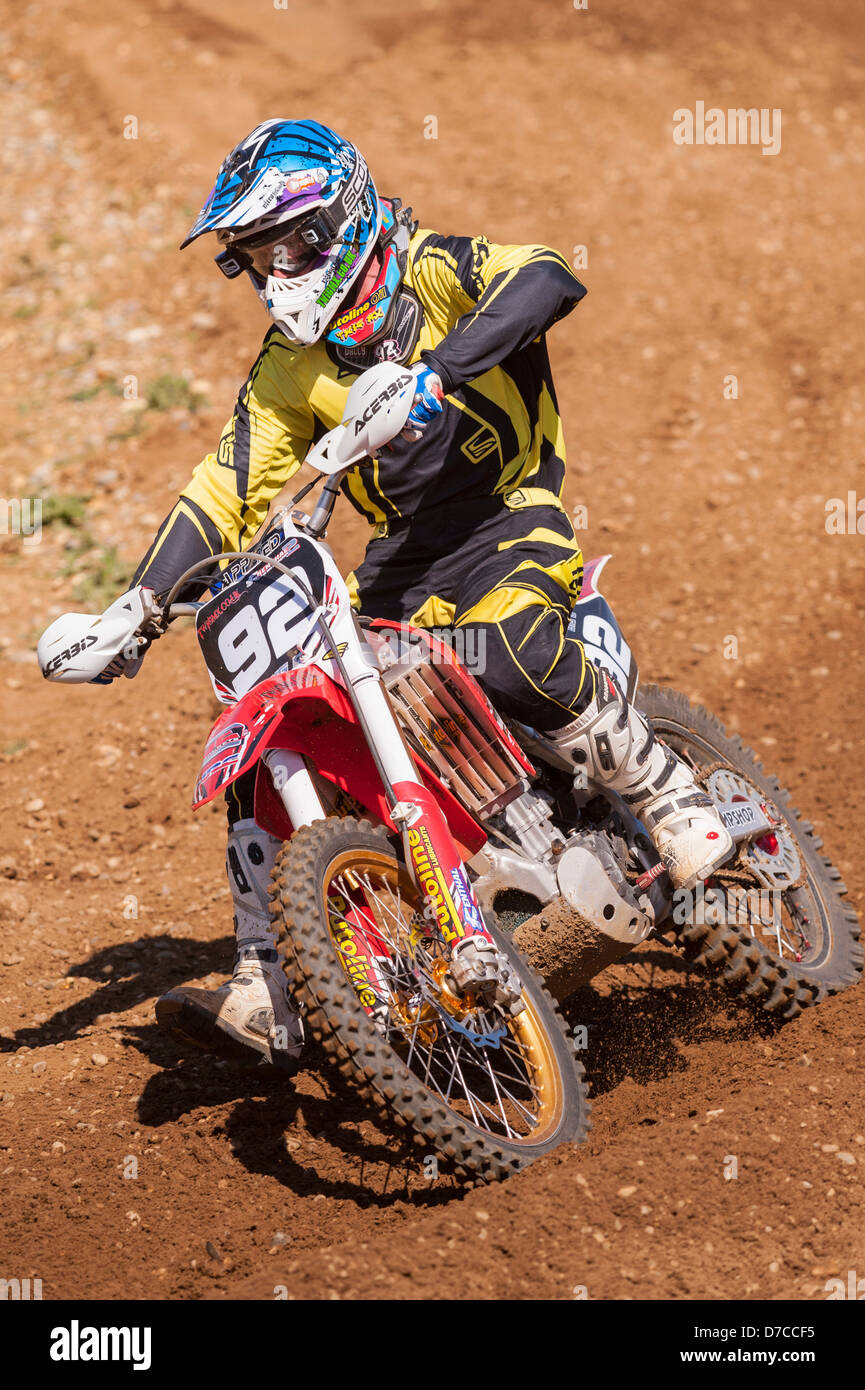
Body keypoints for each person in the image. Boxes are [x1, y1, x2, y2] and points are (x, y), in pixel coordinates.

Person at [97, 119, 731, 1069]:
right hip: (397, 561)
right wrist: (136, 607)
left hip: (504, 517)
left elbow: (547, 275)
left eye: (292, 244)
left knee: (510, 650)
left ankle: (668, 792)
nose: (278, 272)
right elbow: (223, 486)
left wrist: (435, 370)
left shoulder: (431, 268)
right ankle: (272, 973)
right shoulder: (290, 367)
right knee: (274, 732)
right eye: (257, 256)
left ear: (345, 215)